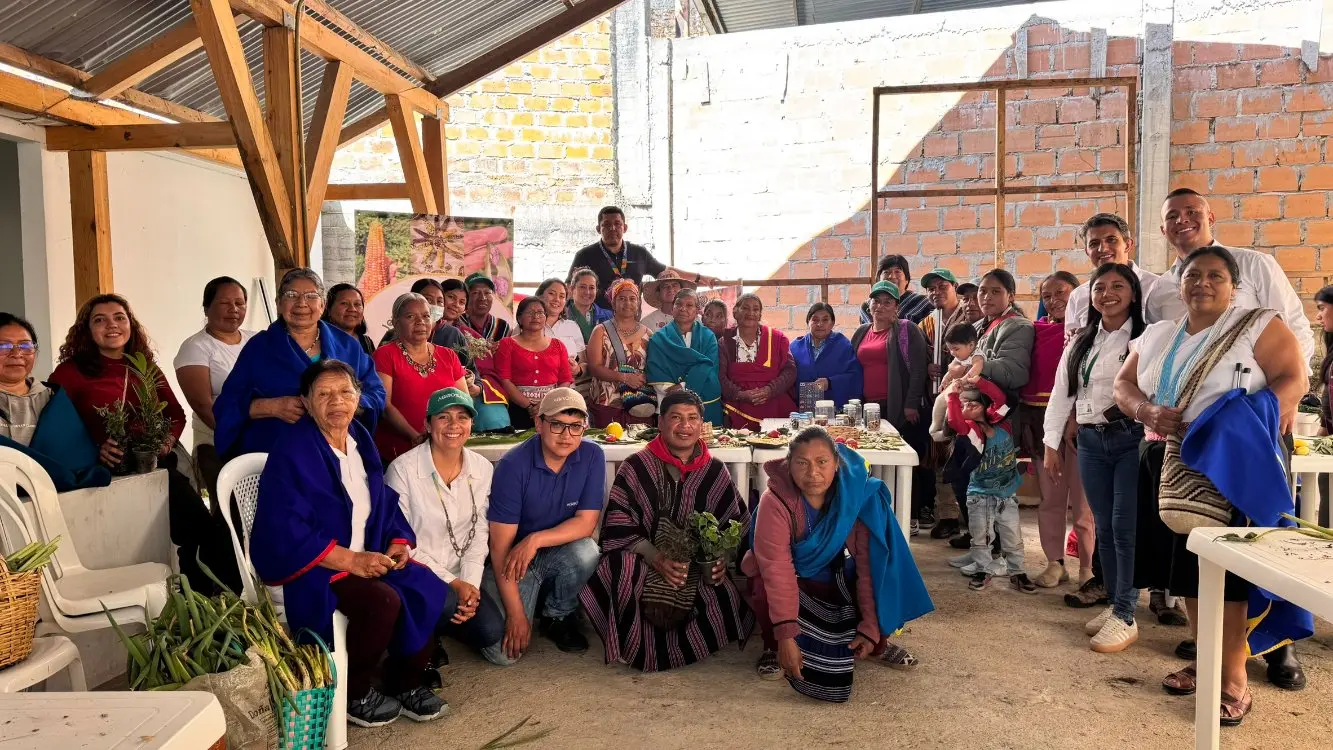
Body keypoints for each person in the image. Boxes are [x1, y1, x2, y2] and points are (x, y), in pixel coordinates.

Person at [1115, 246, 1309, 723]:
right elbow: (1123, 387)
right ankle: (1207, 662)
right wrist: (1146, 410)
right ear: (1179, 284)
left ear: (1234, 286)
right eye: (1193, 275)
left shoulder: (1257, 324)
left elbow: (1293, 378)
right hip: (1175, 464)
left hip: (1234, 465)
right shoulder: (1159, 334)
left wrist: (1246, 423)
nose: (1202, 283)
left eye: (1215, 276)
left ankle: (1235, 680)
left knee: (1231, 575)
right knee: (1189, 572)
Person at [250, 360, 447, 728]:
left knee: (427, 586)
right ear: (306, 402)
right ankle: (352, 693)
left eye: (345, 392)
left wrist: (397, 540)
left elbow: (381, 499)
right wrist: (351, 561)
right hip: (314, 565)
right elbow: (283, 524)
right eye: (323, 394)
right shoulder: (293, 449)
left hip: (366, 552)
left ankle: (404, 680)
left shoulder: (359, 438)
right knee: (382, 602)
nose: (336, 402)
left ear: (358, 398)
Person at [49, 294, 237, 592]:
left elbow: (174, 414)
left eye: (119, 317)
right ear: (87, 329)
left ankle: (203, 599)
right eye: (100, 320)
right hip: (98, 474)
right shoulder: (70, 373)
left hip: (153, 468)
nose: (112, 325)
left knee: (202, 528)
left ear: (131, 325)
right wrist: (96, 447)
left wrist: (165, 441)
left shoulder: (144, 367)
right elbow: (56, 427)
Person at [743, 428, 933, 700]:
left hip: (844, 581)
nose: (813, 473)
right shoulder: (776, 501)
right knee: (763, 578)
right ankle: (773, 646)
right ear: (788, 464)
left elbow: (869, 567)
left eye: (822, 462)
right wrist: (785, 636)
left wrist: (871, 627)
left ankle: (879, 641)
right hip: (797, 583)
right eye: (802, 463)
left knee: (881, 570)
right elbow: (776, 569)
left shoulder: (856, 497)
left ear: (836, 463)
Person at [580, 390, 753, 671]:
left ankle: (686, 642)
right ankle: (633, 641)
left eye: (692, 418)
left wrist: (721, 558)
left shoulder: (715, 470)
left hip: (694, 564)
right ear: (660, 422)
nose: (685, 426)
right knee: (621, 570)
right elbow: (617, 525)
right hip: (642, 560)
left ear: (701, 424)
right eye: (676, 418)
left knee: (720, 595)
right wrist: (655, 557)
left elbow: (734, 524)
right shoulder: (635, 466)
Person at [1045, 264, 1146, 652]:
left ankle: (1126, 614)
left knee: (1124, 526)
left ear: (1133, 294)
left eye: (1118, 286)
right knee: (1104, 526)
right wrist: (1051, 444)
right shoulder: (1082, 341)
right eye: (1099, 287)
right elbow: (1062, 393)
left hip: (1130, 438)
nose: (1107, 294)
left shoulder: (1146, 336)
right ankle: (1116, 604)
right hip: (1089, 441)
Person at [385, 388, 504, 665]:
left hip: (461, 572)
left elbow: (479, 533)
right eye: (443, 417)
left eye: (462, 417)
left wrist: (470, 584)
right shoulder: (402, 470)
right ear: (428, 425)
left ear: (471, 424)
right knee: (445, 601)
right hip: (416, 571)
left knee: (490, 631)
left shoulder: (483, 468)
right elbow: (402, 542)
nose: (454, 425)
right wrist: (454, 584)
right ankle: (425, 638)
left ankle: (440, 621)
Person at [485, 388, 604, 664]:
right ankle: (526, 604)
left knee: (587, 551)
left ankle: (558, 614)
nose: (566, 435)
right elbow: (500, 550)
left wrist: (535, 540)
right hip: (515, 561)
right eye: (557, 424)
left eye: (575, 426)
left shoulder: (592, 455)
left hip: (555, 552)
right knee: (502, 655)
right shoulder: (512, 465)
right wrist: (516, 615)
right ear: (539, 423)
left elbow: (586, 523)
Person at [214, 268, 385, 458]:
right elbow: (226, 405)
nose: (301, 303)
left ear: (323, 305)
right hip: (275, 455)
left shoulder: (347, 346)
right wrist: (271, 407)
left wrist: (345, 403)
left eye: (311, 296)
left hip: (338, 454)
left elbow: (376, 394)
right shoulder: (259, 348)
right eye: (291, 295)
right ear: (279, 304)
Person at [1145, 189, 1314, 368]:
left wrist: (1291, 380)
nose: (1182, 220)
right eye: (1172, 216)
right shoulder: (1160, 288)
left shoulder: (1253, 264)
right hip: (1182, 384)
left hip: (1251, 383)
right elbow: (1158, 346)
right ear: (1163, 230)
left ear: (1210, 218)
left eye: (1192, 212)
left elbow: (1294, 326)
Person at [1021, 271, 1095, 589]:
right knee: (1050, 499)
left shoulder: (1093, 332)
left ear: (1077, 295)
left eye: (1061, 293)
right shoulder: (1034, 332)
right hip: (1045, 427)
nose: (1053, 301)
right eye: (1047, 296)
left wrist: (1075, 418)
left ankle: (1087, 568)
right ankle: (1055, 563)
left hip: (1082, 427)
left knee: (1083, 505)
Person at [851, 282, 932, 533]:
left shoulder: (907, 330)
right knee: (874, 462)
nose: (880, 306)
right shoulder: (861, 332)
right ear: (869, 305)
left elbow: (918, 370)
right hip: (869, 409)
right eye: (876, 301)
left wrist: (911, 404)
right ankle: (879, 514)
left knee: (903, 462)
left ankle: (910, 516)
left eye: (887, 302)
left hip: (898, 407)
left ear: (897, 306)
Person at [943, 379, 1036, 593]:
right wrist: (952, 395)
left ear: (987, 407)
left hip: (1006, 494)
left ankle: (1017, 572)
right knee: (980, 537)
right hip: (980, 494)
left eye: (973, 403)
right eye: (964, 405)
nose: (967, 405)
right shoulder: (971, 431)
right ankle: (983, 570)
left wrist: (976, 380)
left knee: (1013, 536)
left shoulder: (1003, 424)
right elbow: (955, 421)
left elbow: (1000, 398)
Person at [0, 312, 109, 490]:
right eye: (4, 346)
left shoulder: (54, 399)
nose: (17, 353)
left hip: (56, 501)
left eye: (26, 345)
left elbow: (78, 459)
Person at [174, 276, 255, 507]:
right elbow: (203, 405)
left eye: (239, 303)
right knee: (229, 511)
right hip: (218, 442)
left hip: (257, 437)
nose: (234, 309)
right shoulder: (195, 347)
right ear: (206, 308)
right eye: (224, 303)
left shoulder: (256, 339)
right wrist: (234, 438)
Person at [373, 293, 469, 464]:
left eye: (426, 316)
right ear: (395, 322)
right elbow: (385, 406)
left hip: (444, 447)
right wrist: (416, 437)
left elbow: (464, 402)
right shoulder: (385, 355)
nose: (420, 322)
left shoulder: (448, 356)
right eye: (411, 316)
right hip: (399, 451)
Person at [567, 206, 720, 301]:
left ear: (625, 227)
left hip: (632, 318)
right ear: (598, 229)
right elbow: (569, 288)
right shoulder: (585, 255)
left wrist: (701, 278)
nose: (612, 228)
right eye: (606, 224)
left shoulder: (639, 253)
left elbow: (668, 273)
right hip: (598, 320)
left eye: (617, 224)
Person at [1065, 213, 1160, 336]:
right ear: (1087, 251)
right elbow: (1071, 340)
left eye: (1111, 240)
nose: (1102, 249)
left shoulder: (1155, 286)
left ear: (1128, 245)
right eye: (1094, 243)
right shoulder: (1078, 296)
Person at [719, 293, 799, 429]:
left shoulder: (777, 338)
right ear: (735, 312)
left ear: (760, 314)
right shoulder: (724, 342)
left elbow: (790, 371)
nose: (751, 313)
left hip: (775, 406)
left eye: (755, 309)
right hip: (737, 407)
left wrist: (769, 390)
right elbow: (721, 376)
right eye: (745, 308)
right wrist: (740, 395)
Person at [494, 297, 574, 429]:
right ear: (519, 318)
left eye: (540, 312)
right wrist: (529, 406)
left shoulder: (558, 345)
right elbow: (505, 380)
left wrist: (547, 403)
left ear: (545, 317)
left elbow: (565, 380)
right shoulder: (507, 344)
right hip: (517, 407)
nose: (535, 316)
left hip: (552, 408)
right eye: (530, 313)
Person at [645, 291, 723, 425]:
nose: (683, 308)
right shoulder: (659, 338)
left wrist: (682, 386)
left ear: (697, 310)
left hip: (705, 399)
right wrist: (671, 389)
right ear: (672, 308)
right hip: (669, 399)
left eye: (689, 305)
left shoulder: (708, 336)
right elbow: (656, 370)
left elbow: (708, 368)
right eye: (679, 304)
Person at [586, 279, 655, 427]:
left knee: (638, 440)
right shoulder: (600, 331)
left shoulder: (648, 334)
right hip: (606, 403)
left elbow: (654, 366)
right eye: (622, 298)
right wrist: (624, 377)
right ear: (613, 303)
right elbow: (594, 368)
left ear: (638, 303)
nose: (627, 303)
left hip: (640, 403)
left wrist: (645, 376)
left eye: (632, 299)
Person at [790, 303, 863, 411]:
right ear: (808, 322)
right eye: (815, 319)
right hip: (803, 412)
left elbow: (855, 376)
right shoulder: (795, 347)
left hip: (835, 411)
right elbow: (787, 376)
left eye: (825, 320)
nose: (820, 324)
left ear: (832, 323)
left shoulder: (843, 345)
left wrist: (830, 382)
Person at [859, 255, 934, 326]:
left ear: (907, 279)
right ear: (878, 279)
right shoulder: (867, 306)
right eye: (886, 272)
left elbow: (929, 332)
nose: (892, 276)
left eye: (897, 272)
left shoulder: (923, 303)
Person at [536, 277, 588, 363]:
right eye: (552, 293)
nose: (557, 299)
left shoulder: (572, 326)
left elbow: (583, 363)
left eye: (562, 296)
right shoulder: (526, 325)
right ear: (539, 297)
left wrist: (577, 369)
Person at [458, 272, 512, 343]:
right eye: (476, 293)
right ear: (466, 297)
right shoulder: (457, 323)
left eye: (487, 293)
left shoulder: (502, 327)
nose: (483, 298)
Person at [565, 267, 613, 344]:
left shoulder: (609, 317)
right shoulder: (562, 316)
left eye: (591, 288)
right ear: (572, 289)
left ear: (596, 290)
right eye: (582, 287)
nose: (587, 292)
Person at [324, 283, 376, 355]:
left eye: (357, 304)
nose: (352, 309)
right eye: (344, 303)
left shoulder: (367, 343)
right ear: (328, 309)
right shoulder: (319, 340)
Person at [431, 278, 469, 352]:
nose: (456, 304)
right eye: (451, 297)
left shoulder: (469, 336)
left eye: (462, 302)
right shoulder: (421, 326)